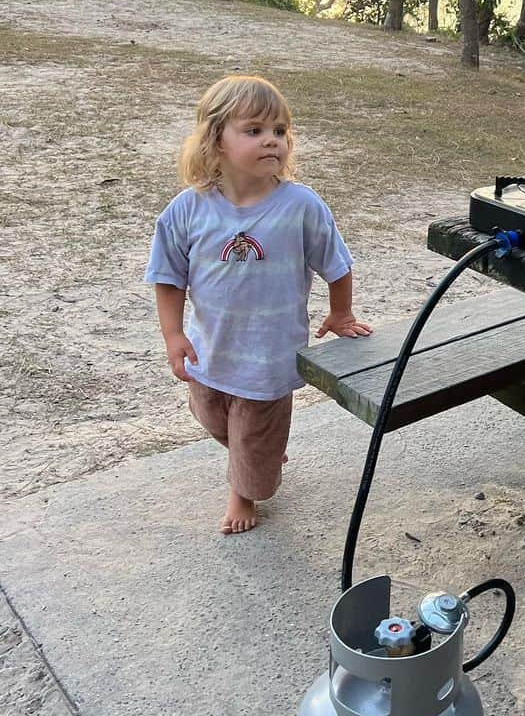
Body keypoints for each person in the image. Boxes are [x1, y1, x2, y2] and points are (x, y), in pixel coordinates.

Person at [145, 74, 372, 534]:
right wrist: (173, 335)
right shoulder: (188, 210)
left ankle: (244, 491)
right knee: (209, 415)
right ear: (216, 141)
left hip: (268, 360)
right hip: (210, 351)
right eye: (254, 131)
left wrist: (341, 312)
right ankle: (258, 451)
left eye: (280, 131)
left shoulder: (300, 206)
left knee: (251, 436)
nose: (272, 140)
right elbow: (168, 277)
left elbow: (337, 263)